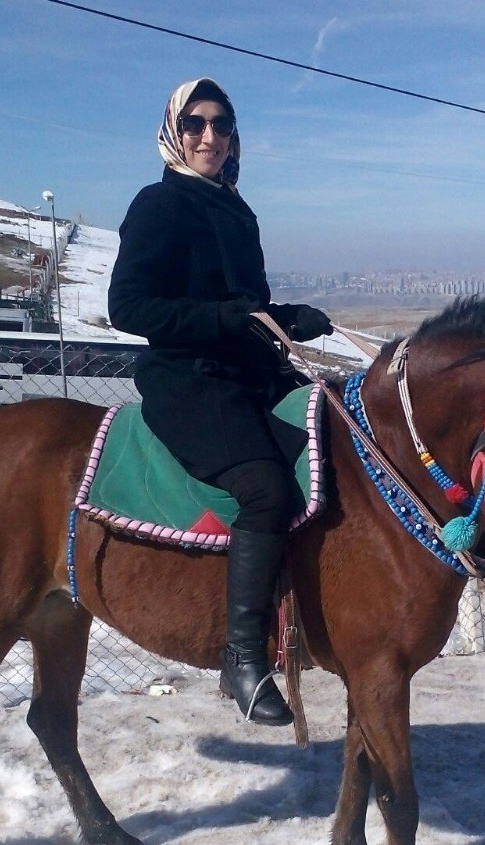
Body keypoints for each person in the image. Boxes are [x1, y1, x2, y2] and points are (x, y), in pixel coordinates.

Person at [108, 78, 332, 726]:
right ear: (174, 133)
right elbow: (128, 307)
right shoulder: (158, 205)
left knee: (331, 441)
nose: (210, 137)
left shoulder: (239, 212)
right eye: (196, 124)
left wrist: (289, 318)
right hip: (186, 379)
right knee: (264, 487)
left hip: (245, 374)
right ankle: (242, 657)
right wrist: (226, 320)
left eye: (222, 125)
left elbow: (247, 309)